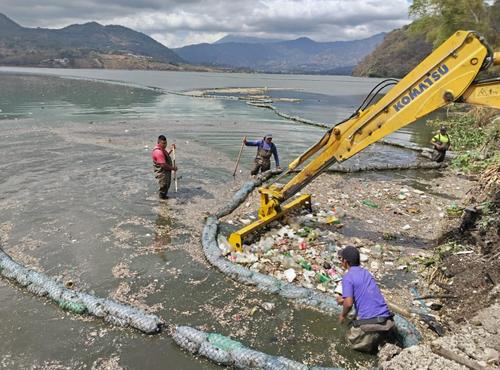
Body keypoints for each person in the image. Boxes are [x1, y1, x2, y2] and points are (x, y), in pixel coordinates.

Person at [336, 246, 395, 353]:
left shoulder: (348, 277)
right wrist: (343, 300)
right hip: (387, 323)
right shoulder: (366, 273)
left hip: (371, 326)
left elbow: (348, 304)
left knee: (345, 345)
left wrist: (342, 315)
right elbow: (362, 294)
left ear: (345, 261)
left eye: (341, 259)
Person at [151, 135, 177, 200]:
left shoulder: (162, 149)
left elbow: (165, 155)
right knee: (163, 187)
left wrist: (171, 150)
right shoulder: (158, 152)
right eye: (163, 143)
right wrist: (173, 168)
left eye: (166, 143)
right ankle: (162, 201)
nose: (165, 145)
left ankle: (164, 200)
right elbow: (163, 165)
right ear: (158, 142)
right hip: (162, 173)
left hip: (165, 171)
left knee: (167, 186)